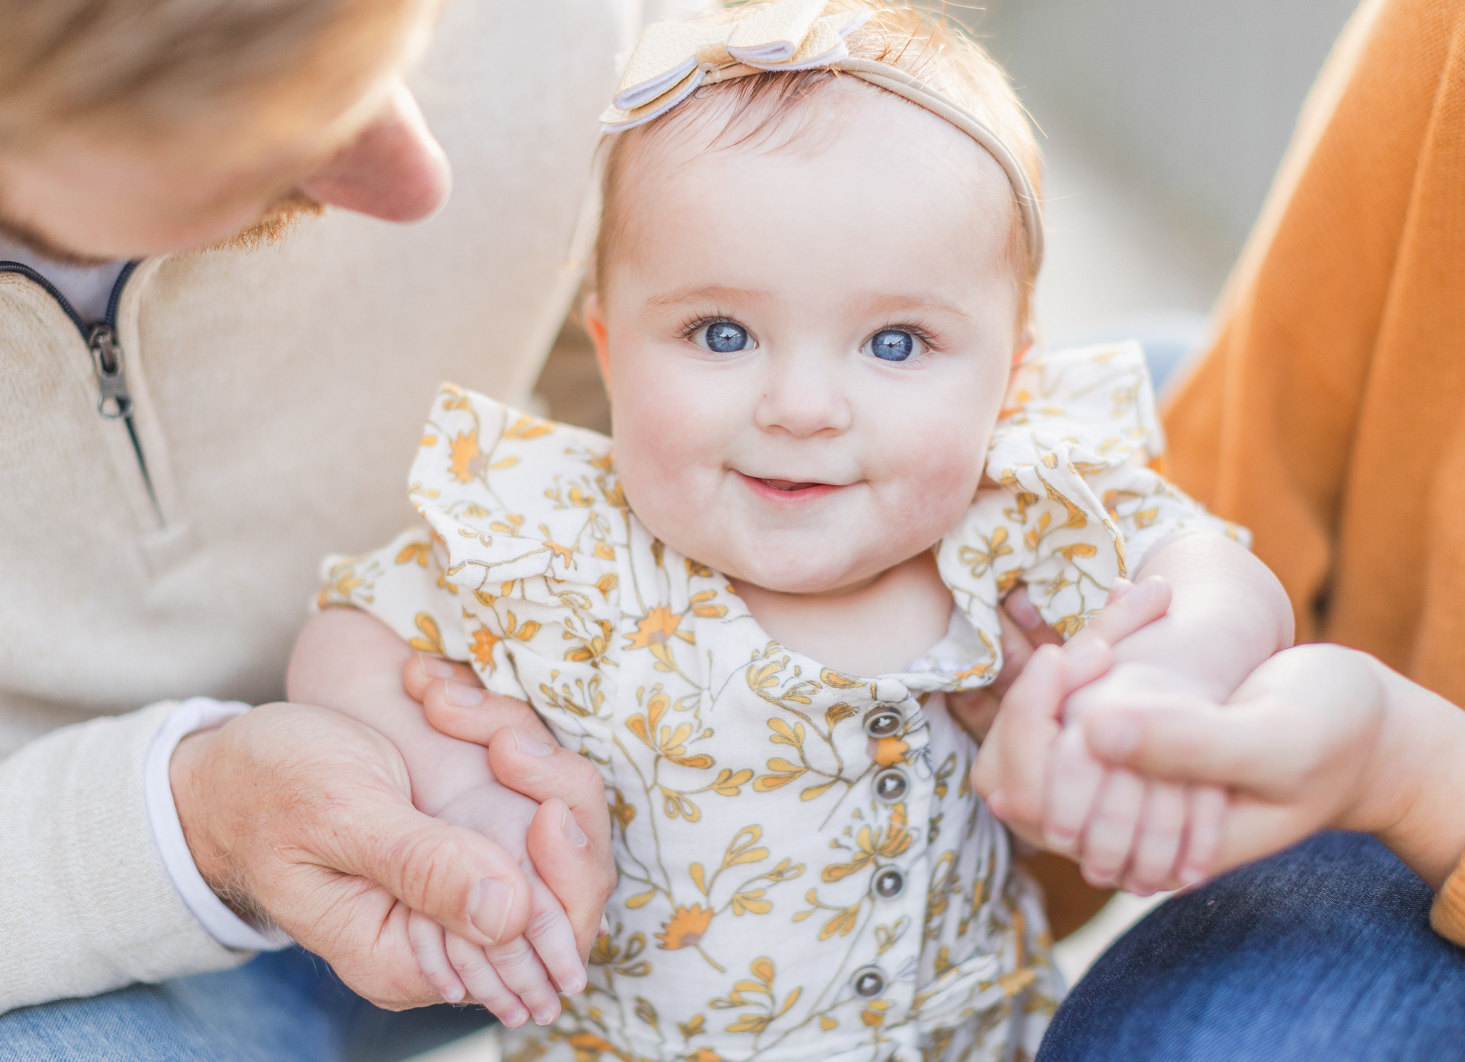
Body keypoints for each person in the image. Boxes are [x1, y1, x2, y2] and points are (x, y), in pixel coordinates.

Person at [290, 2, 1295, 1057]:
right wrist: (452, 785)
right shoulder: (565, 553)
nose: (802, 406)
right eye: (721, 333)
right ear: (608, 339)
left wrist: (1175, 665)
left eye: (896, 343)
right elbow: (351, 629)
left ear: (1013, 376)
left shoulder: (1012, 519)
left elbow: (1216, 569)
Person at [0, 0, 626, 1058]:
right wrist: (188, 826)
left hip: (559, 762)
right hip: (67, 905)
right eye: (251, 125)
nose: (418, 178)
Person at [974, 0, 1465, 1056]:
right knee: (1085, 421)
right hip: (1362, 705)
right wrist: (1110, 729)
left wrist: (1423, 775)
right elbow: (1238, 476)